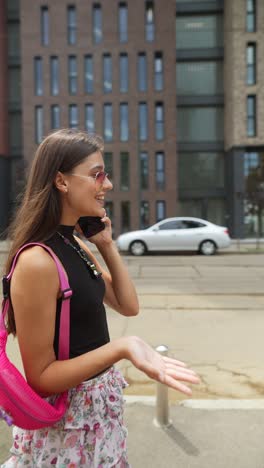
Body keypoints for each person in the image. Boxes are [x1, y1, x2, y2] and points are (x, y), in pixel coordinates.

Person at [1, 129, 199, 467]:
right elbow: (41, 376)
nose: (107, 185)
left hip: (97, 417)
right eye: (97, 175)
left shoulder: (74, 245)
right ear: (61, 182)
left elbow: (128, 305)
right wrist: (122, 347)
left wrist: (106, 244)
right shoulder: (38, 261)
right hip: (66, 429)